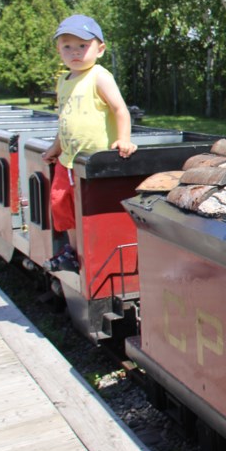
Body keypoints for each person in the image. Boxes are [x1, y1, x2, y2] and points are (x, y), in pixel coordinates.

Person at [42, 15, 137, 271]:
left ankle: (90, 250)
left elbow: (120, 110)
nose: (75, 52)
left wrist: (124, 139)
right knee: (61, 203)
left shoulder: (99, 76)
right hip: (68, 159)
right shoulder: (63, 81)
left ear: (100, 49)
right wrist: (56, 147)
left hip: (94, 161)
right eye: (67, 46)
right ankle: (72, 250)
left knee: (92, 210)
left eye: (82, 46)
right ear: (58, 50)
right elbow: (65, 119)